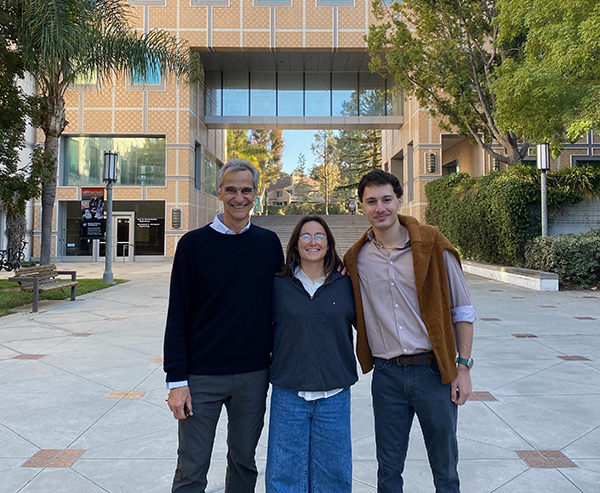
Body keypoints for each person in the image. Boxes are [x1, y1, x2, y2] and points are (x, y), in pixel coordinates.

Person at [343, 169, 476, 493]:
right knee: (388, 471)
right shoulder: (355, 259)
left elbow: (463, 310)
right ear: (361, 207)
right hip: (387, 376)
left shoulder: (433, 245)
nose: (380, 208)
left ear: (399, 201)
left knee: (445, 469)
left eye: (386, 199)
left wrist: (463, 367)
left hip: (434, 373)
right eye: (371, 201)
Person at [163, 159, 284, 493]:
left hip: (254, 375)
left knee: (244, 463)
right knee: (192, 467)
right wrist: (177, 381)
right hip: (201, 377)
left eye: (246, 190)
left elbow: (287, 298)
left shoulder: (268, 244)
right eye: (231, 189)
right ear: (219, 192)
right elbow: (177, 316)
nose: (238, 197)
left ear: (256, 194)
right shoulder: (192, 245)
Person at [266, 215, 358, 493]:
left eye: (320, 236)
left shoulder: (347, 284)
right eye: (305, 236)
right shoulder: (277, 285)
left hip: (334, 395)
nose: (313, 242)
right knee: (284, 476)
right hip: (288, 394)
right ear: (295, 245)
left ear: (329, 245)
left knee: (334, 476)